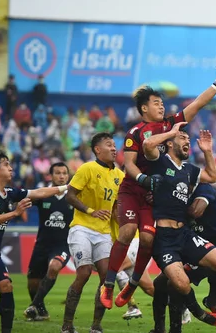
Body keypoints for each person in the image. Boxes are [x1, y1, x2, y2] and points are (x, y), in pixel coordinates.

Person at [101, 66, 216, 309]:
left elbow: (196, 106)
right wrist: (143, 180)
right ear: (144, 108)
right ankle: (109, 285)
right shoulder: (135, 132)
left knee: (149, 239)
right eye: (156, 103)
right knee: (128, 231)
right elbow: (128, 164)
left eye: (162, 103)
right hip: (134, 189)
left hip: (154, 193)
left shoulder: (170, 124)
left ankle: (131, 284)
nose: (161, 106)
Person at [0, 151, 69, 333]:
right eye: (6, 164)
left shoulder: (9, 192)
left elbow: (39, 192)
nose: (10, 168)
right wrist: (14, 213)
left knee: (6, 286)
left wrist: (66, 188)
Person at [143, 124, 216, 331]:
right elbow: (147, 144)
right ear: (170, 143)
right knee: (180, 284)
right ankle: (198, 312)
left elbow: (213, 177)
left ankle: (211, 302)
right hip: (164, 238)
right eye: (183, 138)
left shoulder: (189, 170)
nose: (187, 142)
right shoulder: (161, 162)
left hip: (185, 234)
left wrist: (208, 151)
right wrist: (172, 131)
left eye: (188, 139)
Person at [61, 133, 125, 333]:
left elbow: (116, 207)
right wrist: (90, 211)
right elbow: (69, 195)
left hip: (104, 232)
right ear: (97, 149)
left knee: (107, 277)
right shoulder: (87, 168)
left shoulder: (119, 175)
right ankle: (67, 326)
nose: (114, 148)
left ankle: (96, 326)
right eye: (109, 145)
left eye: (115, 145)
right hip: (82, 228)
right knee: (84, 272)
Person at [151, 183, 216, 332]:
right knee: (159, 283)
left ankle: (210, 303)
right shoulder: (177, 193)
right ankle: (159, 329)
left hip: (211, 250)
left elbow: (196, 211)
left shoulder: (204, 189)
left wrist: (172, 205)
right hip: (190, 248)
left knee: (173, 284)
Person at [24, 162, 73, 321]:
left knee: (54, 266)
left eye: (64, 173)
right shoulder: (44, 194)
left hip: (62, 245)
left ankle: (33, 305)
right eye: (58, 173)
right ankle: (41, 310)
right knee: (32, 282)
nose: (61, 176)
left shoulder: (73, 196)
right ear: (50, 176)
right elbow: (25, 199)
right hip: (42, 245)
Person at [110, 200, 154, 320]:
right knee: (149, 288)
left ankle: (132, 307)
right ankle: (180, 305)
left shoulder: (123, 200)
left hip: (134, 241)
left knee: (115, 268)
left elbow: (121, 219)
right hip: (125, 245)